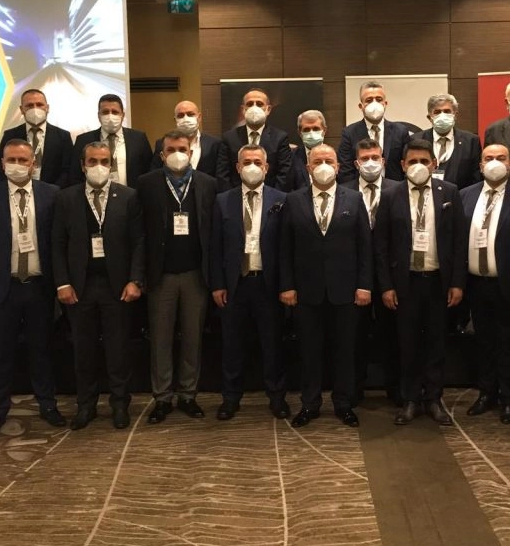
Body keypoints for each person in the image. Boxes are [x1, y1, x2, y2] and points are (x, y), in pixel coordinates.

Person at [0, 139, 66, 435]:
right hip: (3, 288)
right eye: (11, 159)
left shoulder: (52, 194)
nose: (17, 165)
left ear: (33, 163)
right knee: (0, 353)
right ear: (2, 164)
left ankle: (47, 404)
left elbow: (59, 241)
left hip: (39, 286)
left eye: (23, 160)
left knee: (42, 350)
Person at [53, 142, 144, 430]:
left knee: (118, 350)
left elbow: (139, 242)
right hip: (79, 287)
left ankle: (120, 404)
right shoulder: (66, 198)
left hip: (117, 286)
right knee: (84, 351)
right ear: (83, 165)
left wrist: (135, 280)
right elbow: (57, 244)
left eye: (104, 161)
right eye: (92, 161)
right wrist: (62, 283)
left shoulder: (128, 197)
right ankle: (86, 405)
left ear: (112, 165)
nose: (99, 166)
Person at [279, 144, 372, 428]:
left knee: (345, 351)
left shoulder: (354, 199)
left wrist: (364, 286)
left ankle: (344, 404)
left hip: (345, 291)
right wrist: (287, 286)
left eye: (328, 160)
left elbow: (364, 247)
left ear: (338, 166)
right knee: (309, 352)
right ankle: (310, 404)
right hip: (306, 292)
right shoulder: (293, 200)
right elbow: (285, 248)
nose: (323, 165)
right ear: (308, 167)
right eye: (317, 161)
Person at [375, 139, 465, 426]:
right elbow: (381, 246)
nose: (418, 166)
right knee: (408, 343)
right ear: (402, 165)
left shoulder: (449, 192)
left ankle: (434, 399)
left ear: (434, 164)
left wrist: (457, 282)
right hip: (406, 283)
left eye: (424, 161)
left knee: (437, 343)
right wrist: (386, 286)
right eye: (412, 161)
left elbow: (459, 241)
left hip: (438, 282)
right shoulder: (390, 195)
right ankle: (411, 399)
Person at [138, 131, 217, 423]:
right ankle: (162, 397)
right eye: (170, 149)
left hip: (196, 274)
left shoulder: (208, 184)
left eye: (182, 148)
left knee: (192, 338)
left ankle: (188, 394)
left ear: (191, 151)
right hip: (161, 276)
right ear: (161, 154)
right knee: (160, 339)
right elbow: (139, 233)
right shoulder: (146, 184)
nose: (177, 154)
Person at [460, 144, 510, 424]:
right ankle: (487, 393)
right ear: (481, 165)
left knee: (509, 342)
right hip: (475, 282)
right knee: (483, 341)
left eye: (500, 158)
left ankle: (509, 397)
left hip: (509, 283)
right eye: (489, 158)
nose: (494, 162)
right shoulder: (466, 195)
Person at [210, 145, 289, 420]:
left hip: (268, 284)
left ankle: (277, 397)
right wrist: (217, 284)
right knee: (232, 346)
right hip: (235, 285)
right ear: (237, 167)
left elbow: (286, 248)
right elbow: (215, 247)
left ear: (266, 168)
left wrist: (286, 285)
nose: (252, 167)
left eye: (257, 162)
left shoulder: (282, 199)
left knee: (273, 345)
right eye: (247, 162)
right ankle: (230, 398)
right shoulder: (223, 201)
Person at [344, 138, 401, 404]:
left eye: (375, 157)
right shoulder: (343, 191)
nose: (370, 163)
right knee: (354, 338)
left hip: (391, 276)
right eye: (364, 158)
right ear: (356, 163)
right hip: (355, 277)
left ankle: (396, 390)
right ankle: (354, 390)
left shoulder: (398, 190)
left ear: (383, 161)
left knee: (393, 336)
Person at [71, 94, 152, 189]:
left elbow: (148, 172)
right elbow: (75, 175)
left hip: (131, 195)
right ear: (99, 116)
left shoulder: (139, 138)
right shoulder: (83, 140)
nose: (110, 116)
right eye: (105, 112)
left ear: (122, 115)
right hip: (94, 195)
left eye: (115, 112)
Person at [219, 88, 293, 190]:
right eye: (250, 104)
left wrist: (273, 196)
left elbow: (284, 173)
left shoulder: (280, 138)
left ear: (268, 109)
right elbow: (223, 174)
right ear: (243, 109)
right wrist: (233, 196)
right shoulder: (229, 138)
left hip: (271, 196)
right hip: (237, 196)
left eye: (259, 104)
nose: (254, 108)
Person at [337, 81, 411, 184]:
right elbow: (345, 171)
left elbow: (408, 165)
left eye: (379, 99)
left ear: (385, 104)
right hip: (360, 191)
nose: (374, 104)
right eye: (369, 100)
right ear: (361, 106)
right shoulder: (349, 133)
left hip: (395, 189)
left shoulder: (400, 131)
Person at [0, 89, 73, 187]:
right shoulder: (10, 135)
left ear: (47, 108)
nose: (35, 109)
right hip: (17, 190)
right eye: (29, 105)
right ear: (21, 109)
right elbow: (2, 168)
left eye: (39, 105)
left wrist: (54, 191)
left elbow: (67, 170)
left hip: (54, 192)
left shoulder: (63, 136)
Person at [417, 93, 482, 190]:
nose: (442, 115)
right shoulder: (416, 140)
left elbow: (476, 178)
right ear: (429, 117)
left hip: (460, 196)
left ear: (455, 115)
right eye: (437, 112)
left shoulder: (471, 141)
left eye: (447, 111)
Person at [151, 100, 227, 182]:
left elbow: (220, 176)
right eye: (180, 115)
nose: (185, 119)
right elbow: (154, 174)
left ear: (199, 117)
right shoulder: (162, 143)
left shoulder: (214, 143)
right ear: (175, 119)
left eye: (190, 114)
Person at [286, 110, 327, 191]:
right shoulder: (290, 157)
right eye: (306, 130)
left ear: (324, 131)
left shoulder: (335, 157)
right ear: (300, 133)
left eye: (316, 129)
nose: (311, 133)